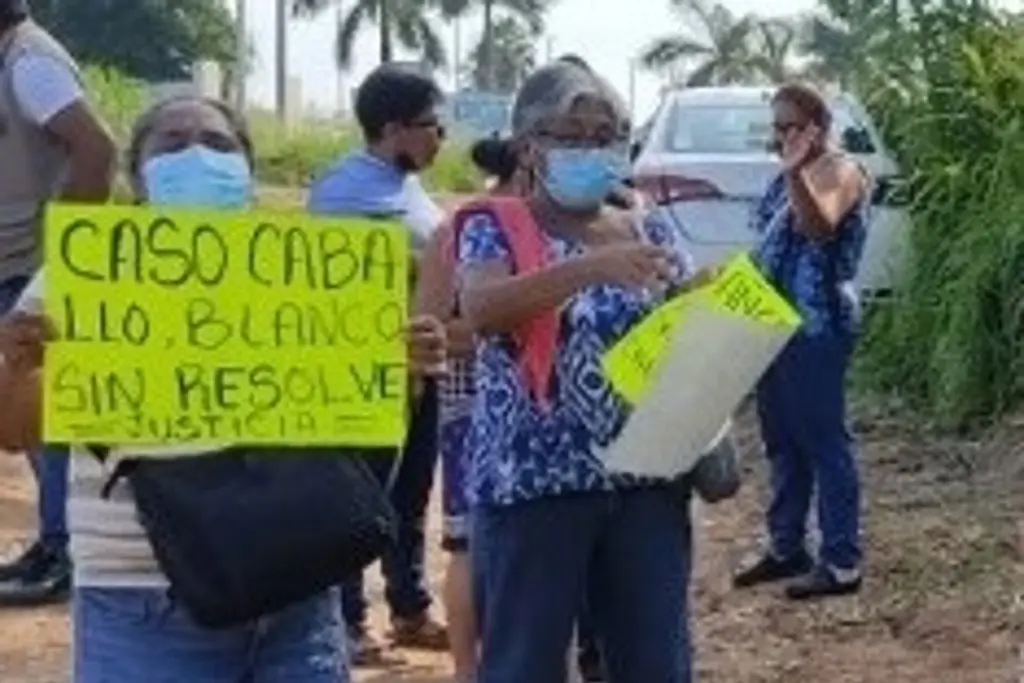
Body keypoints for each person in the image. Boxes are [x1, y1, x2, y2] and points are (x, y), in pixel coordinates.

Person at [0, 94, 447, 682]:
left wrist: (403, 368)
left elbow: (355, 430)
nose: (197, 156)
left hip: (296, 586)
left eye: (217, 144)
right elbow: (14, 433)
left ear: (247, 169)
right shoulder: (81, 277)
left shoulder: (311, 275)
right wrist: (22, 367)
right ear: (139, 176)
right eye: (173, 144)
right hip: (144, 595)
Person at [458, 59, 702, 683]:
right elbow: (482, 309)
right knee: (524, 664)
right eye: (570, 137)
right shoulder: (495, 224)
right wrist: (591, 267)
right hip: (535, 485)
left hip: (644, 480)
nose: (591, 150)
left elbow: (680, 321)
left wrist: (708, 302)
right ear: (528, 147)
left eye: (606, 136)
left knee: (655, 662)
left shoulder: (648, 224)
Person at [308, 63, 449, 663]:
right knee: (357, 497)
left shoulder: (404, 185)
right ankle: (347, 620)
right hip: (364, 373)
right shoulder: (342, 191)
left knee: (411, 494)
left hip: (420, 369)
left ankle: (410, 606)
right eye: (433, 127)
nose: (441, 139)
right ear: (393, 128)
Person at [0, 0, 116, 605]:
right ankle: (53, 543)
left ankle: (61, 551)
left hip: (30, 268)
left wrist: (71, 254)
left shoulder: (29, 65)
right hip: (19, 263)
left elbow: (96, 150)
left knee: (49, 421)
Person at [734, 83, 869, 600]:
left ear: (820, 125)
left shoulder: (840, 171)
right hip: (772, 324)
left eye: (794, 125)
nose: (784, 136)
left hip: (817, 325)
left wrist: (794, 172)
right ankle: (787, 545)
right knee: (783, 440)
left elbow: (818, 227)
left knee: (823, 439)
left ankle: (841, 560)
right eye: (778, 127)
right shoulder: (783, 178)